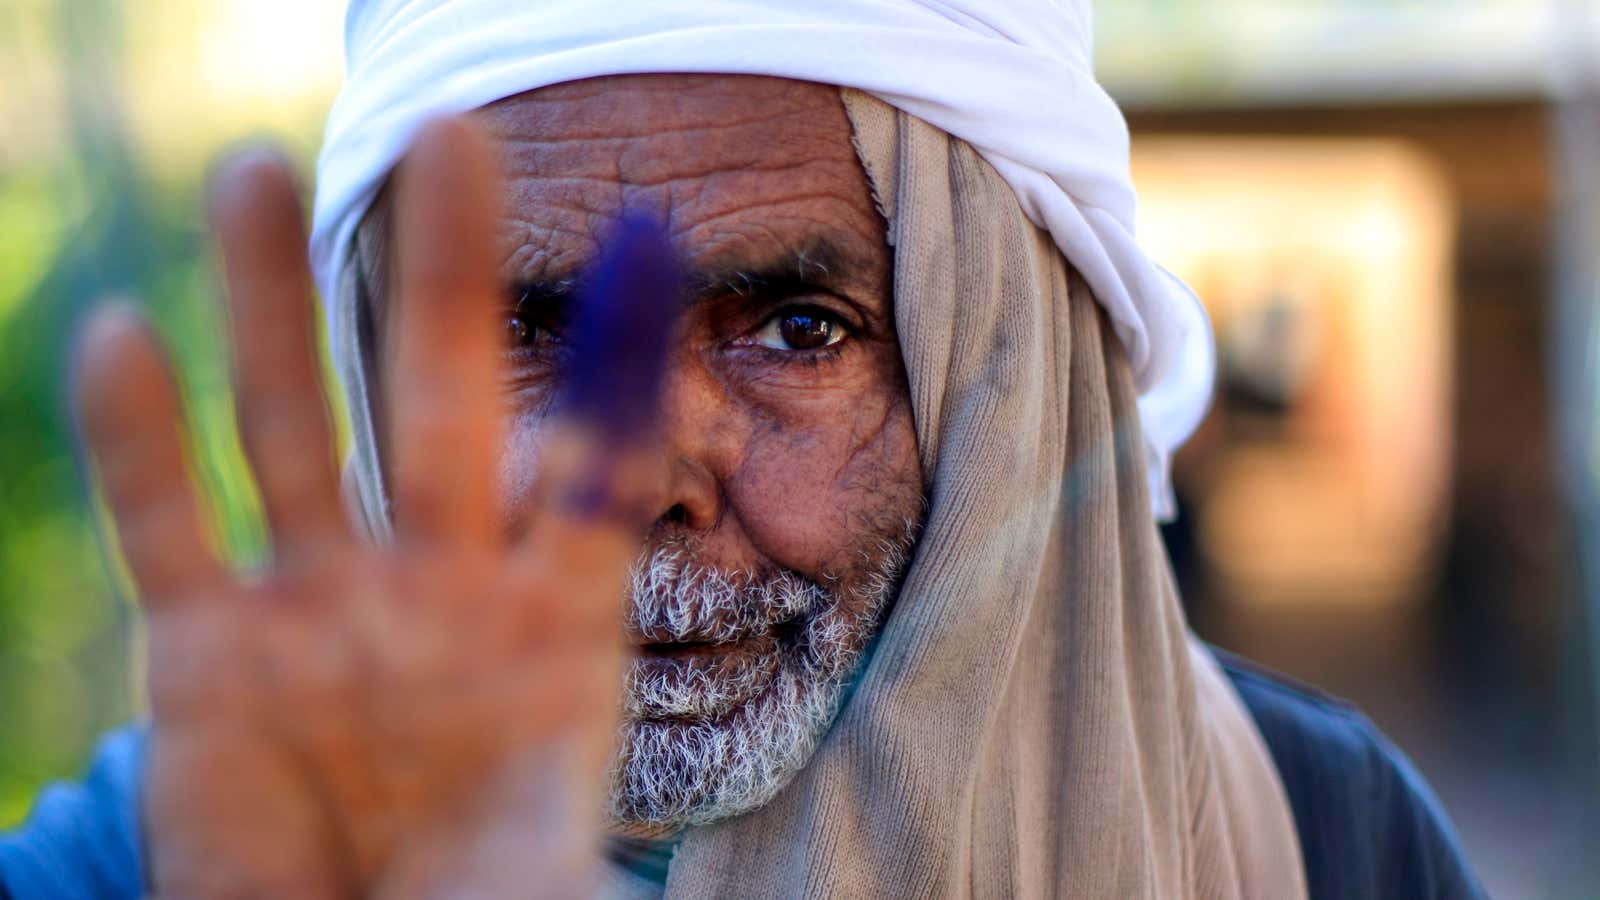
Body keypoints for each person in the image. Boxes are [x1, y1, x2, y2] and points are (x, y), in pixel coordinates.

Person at [1, 2, 1487, 898]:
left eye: (795, 328)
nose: (645, 473)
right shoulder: (191, 855)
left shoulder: (1326, 844)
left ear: (1005, 375)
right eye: (530, 324)